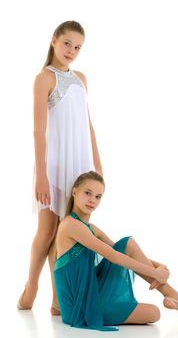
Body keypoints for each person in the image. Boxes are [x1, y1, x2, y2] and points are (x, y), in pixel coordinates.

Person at [17, 21, 103, 315]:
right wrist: (41, 175)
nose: (72, 51)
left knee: (68, 231)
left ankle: (58, 299)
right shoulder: (45, 78)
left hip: (79, 165)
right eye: (67, 43)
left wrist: (98, 166)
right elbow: (38, 131)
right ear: (54, 41)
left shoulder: (81, 78)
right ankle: (31, 286)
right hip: (53, 165)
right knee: (47, 230)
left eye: (78, 47)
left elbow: (87, 124)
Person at [54, 171, 178, 332]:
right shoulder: (70, 225)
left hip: (93, 292)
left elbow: (125, 251)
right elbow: (113, 256)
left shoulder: (90, 228)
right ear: (75, 192)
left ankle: (172, 295)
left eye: (98, 196)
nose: (92, 200)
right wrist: (155, 274)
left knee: (128, 244)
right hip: (79, 307)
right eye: (88, 193)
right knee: (154, 313)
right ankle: (175, 296)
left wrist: (156, 265)